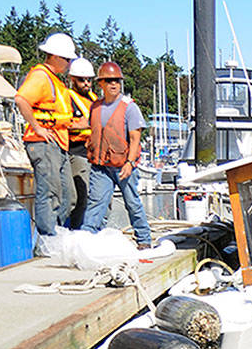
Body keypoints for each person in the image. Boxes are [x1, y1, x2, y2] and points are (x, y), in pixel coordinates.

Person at [79, 61, 151, 248]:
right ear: (100, 83)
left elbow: (135, 138)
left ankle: (144, 240)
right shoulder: (95, 106)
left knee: (132, 203)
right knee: (96, 203)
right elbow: (88, 126)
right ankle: (87, 241)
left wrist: (130, 163)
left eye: (117, 81)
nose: (114, 84)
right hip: (101, 166)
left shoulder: (129, 107)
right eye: (109, 81)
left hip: (123, 165)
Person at [14, 32, 76, 237]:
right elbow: (21, 99)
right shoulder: (41, 77)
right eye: (67, 59)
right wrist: (38, 127)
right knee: (49, 193)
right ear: (55, 57)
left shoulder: (55, 81)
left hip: (59, 142)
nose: (69, 64)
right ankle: (48, 239)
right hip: (44, 142)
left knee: (67, 195)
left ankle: (56, 232)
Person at [63, 58, 97, 229]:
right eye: (82, 80)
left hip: (93, 153)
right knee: (79, 197)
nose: (86, 84)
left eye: (89, 80)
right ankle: (73, 229)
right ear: (72, 79)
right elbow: (62, 122)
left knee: (95, 196)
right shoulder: (67, 98)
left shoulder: (93, 98)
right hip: (76, 151)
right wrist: (79, 125)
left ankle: (90, 229)